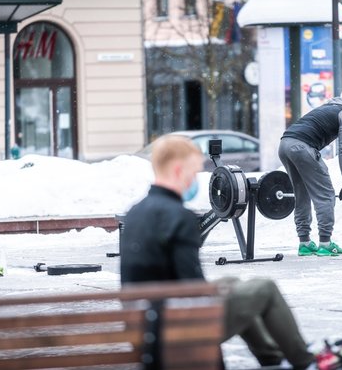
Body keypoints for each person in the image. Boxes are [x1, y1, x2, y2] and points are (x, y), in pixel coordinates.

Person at [120, 135, 315, 370]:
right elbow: (194, 288)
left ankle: (272, 358)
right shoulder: (177, 217)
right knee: (264, 289)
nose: (194, 180)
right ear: (178, 170)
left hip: (147, 326)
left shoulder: (135, 213)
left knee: (232, 282)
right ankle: (305, 362)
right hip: (176, 331)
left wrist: (224, 290)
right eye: (193, 173)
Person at [278, 87, 342, 257]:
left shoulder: (325, 107)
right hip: (302, 147)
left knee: (301, 193)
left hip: (284, 144)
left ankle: (305, 243)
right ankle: (325, 243)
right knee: (325, 194)